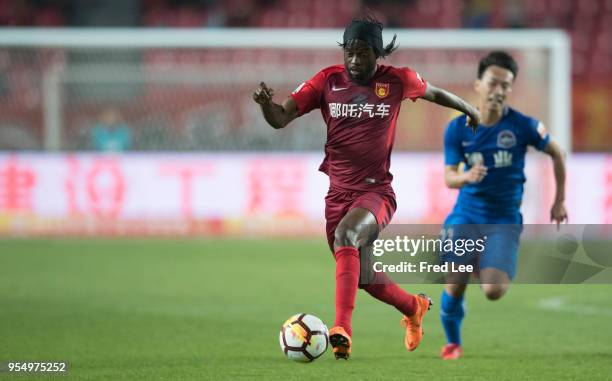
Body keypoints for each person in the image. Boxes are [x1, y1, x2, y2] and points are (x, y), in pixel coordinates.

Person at [253, 16, 480, 360]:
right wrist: (265, 106)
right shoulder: (327, 81)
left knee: (347, 237)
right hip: (337, 195)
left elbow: (435, 93)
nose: (356, 61)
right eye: (350, 53)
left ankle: (342, 327)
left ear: (378, 55)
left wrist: (469, 108)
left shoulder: (398, 81)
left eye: (363, 54)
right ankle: (414, 307)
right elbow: (281, 117)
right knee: (363, 276)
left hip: (376, 194)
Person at [439, 51, 568, 360]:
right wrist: (466, 176)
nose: (499, 90)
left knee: (493, 292)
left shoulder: (523, 126)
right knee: (454, 282)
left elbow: (557, 153)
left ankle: (482, 261)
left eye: (506, 85)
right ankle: (452, 343)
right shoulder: (458, 128)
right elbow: (448, 179)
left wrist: (559, 200)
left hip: (504, 219)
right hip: (466, 214)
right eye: (493, 83)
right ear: (478, 85)